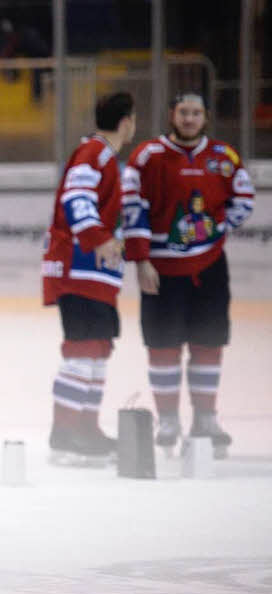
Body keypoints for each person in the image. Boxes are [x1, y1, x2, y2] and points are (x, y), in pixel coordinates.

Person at [121, 92, 255, 458]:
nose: (190, 119)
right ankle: (167, 419)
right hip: (161, 270)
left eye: (197, 113)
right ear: (172, 115)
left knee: (208, 343)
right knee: (162, 344)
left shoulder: (223, 157)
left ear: (206, 117)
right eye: (184, 112)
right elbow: (132, 208)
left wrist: (215, 229)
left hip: (209, 267)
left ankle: (205, 419)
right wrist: (141, 259)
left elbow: (244, 199)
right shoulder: (148, 157)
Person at [42, 92, 136, 465]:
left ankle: (86, 428)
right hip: (78, 268)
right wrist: (99, 239)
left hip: (95, 274)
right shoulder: (95, 153)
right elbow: (76, 197)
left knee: (97, 349)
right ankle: (63, 433)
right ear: (127, 122)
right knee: (82, 351)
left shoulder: (105, 158)